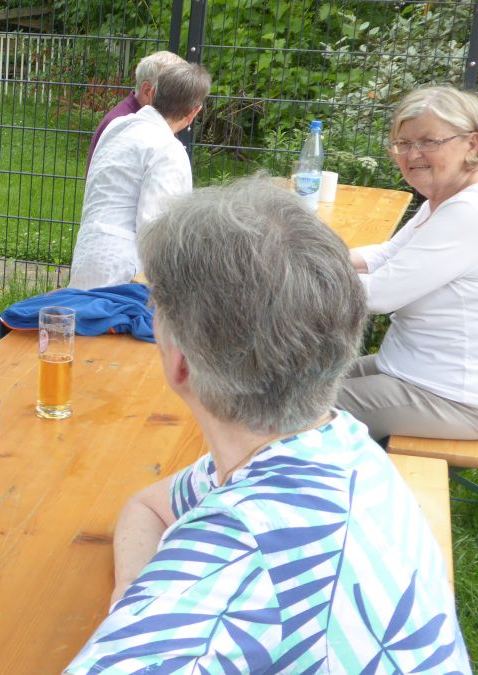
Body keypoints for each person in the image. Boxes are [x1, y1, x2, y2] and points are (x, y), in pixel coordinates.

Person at [65, 179, 468, 672]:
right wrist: (137, 597)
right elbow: (148, 505)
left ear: (180, 362)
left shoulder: (238, 561)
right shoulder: (336, 446)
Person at [338, 85, 478, 441]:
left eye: (429, 141)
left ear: (472, 145)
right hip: (414, 371)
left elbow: (379, 294)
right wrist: (311, 256)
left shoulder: (467, 213)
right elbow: (387, 254)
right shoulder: (444, 200)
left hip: (453, 396)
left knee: (283, 406)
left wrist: (287, 276)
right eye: (403, 143)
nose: (413, 154)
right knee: (296, 380)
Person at [68, 62, 210, 291]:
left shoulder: (117, 126)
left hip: (87, 253)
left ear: (153, 93)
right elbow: (156, 230)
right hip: (124, 269)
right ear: (194, 112)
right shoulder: (168, 149)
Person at [86, 50, 186, 171]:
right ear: (147, 91)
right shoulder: (123, 125)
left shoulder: (153, 118)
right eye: (174, 92)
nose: (181, 102)